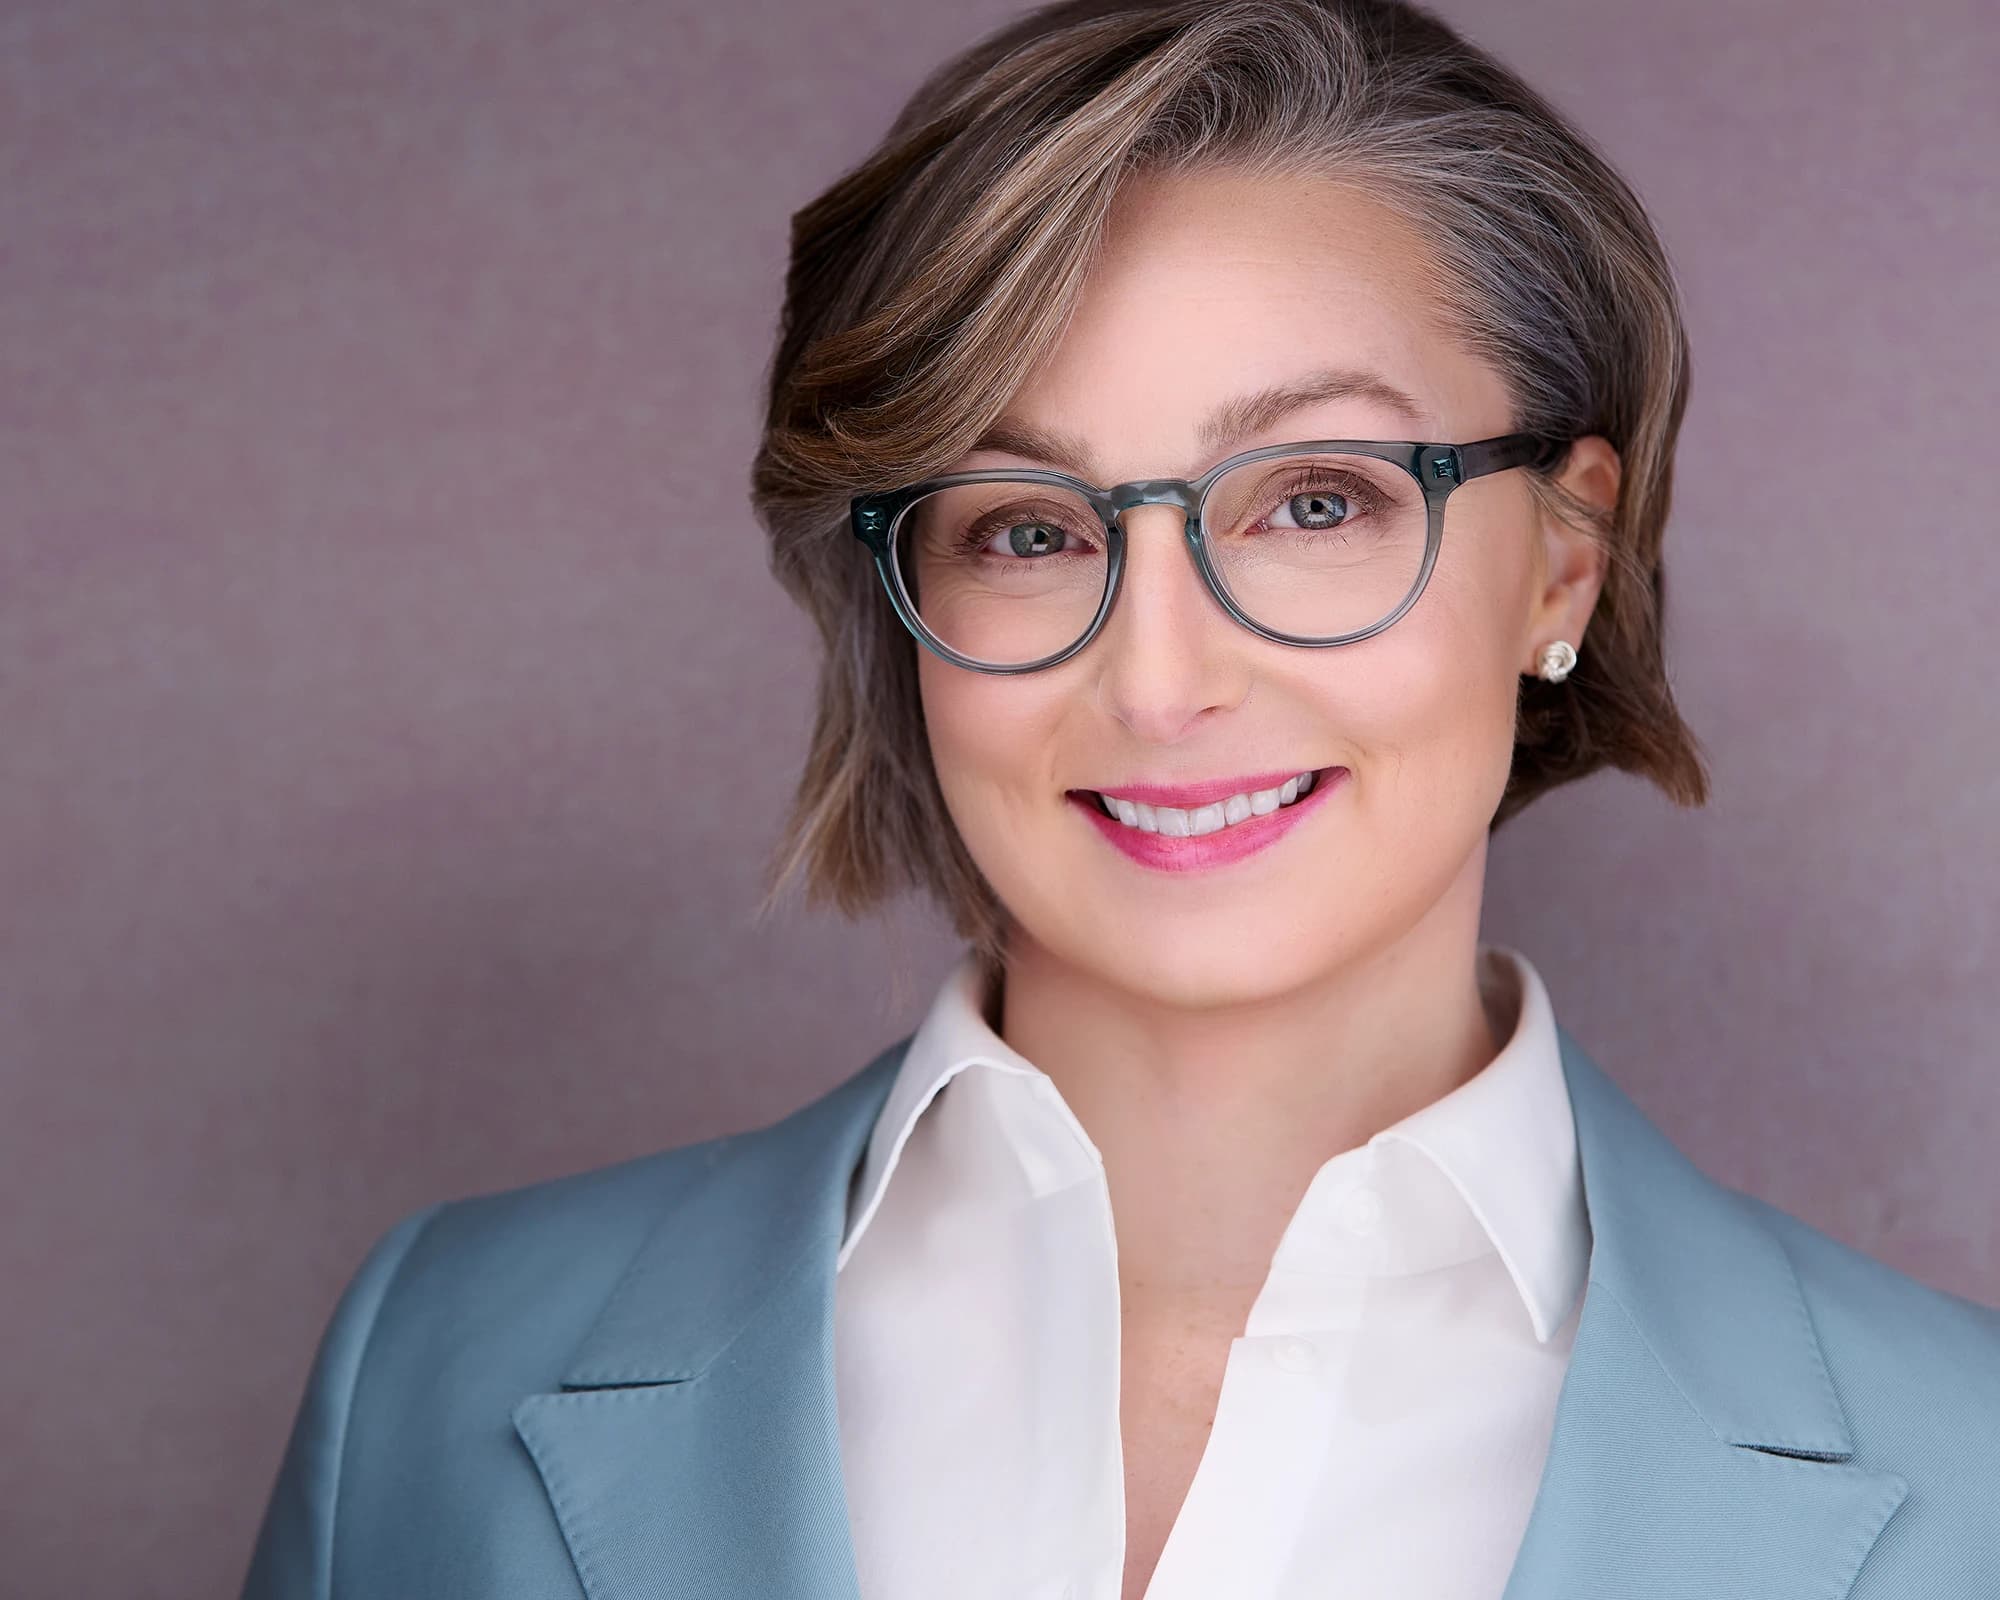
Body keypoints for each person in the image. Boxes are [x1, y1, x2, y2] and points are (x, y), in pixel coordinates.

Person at [240, 1, 2000, 1596]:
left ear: (1563, 553)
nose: (1161, 680)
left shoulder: (1968, 1477)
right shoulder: (432, 1364)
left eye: (1315, 499)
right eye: (1026, 527)